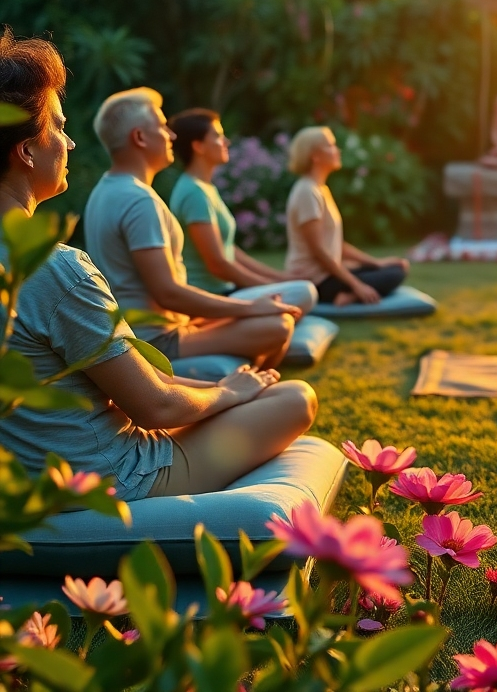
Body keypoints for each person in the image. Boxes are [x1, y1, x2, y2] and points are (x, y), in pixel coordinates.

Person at [0, 30, 317, 499]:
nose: (69, 144)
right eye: (59, 128)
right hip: (111, 478)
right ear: (26, 151)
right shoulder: (54, 269)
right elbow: (156, 408)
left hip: (31, 476)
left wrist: (223, 387)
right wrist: (230, 393)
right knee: (296, 398)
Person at [84, 89, 305, 369]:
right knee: (277, 326)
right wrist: (251, 308)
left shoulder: (104, 190)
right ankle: (248, 392)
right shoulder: (138, 200)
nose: (172, 136)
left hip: (162, 327)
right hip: (156, 340)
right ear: (140, 137)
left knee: (274, 315)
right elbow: (169, 293)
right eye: (163, 127)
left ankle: (246, 383)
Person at [167, 107, 317, 309]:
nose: (226, 142)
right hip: (213, 297)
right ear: (198, 146)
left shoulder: (204, 188)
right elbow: (218, 265)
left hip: (227, 291)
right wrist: (273, 287)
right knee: (304, 292)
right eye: (218, 136)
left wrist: (279, 278)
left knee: (298, 289)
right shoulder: (193, 193)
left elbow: (229, 251)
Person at [284, 126, 408, 306]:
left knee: (396, 268)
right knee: (395, 274)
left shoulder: (320, 189)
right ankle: (348, 296)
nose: (337, 150)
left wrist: (376, 263)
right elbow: (319, 252)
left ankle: (346, 293)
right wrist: (356, 285)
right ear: (315, 156)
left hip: (328, 274)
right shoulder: (307, 192)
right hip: (315, 281)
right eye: (330, 145)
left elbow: (335, 245)